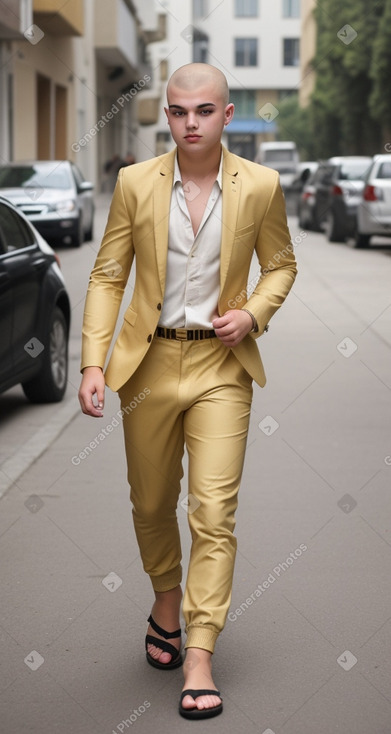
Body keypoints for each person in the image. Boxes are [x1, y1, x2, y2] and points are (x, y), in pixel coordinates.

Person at [78, 63, 297, 720]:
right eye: (178, 111)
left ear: (226, 115)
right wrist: (93, 362)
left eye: (203, 110)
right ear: (167, 115)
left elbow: (281, 264)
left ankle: (198, 651)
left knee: (213, 509)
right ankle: (164, 596)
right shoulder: (135, 183)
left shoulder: (260, 185)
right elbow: (109, 274)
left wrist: (254, 312)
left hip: (221, 369)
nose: (189, 123)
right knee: (150, 502)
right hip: (146, 368)